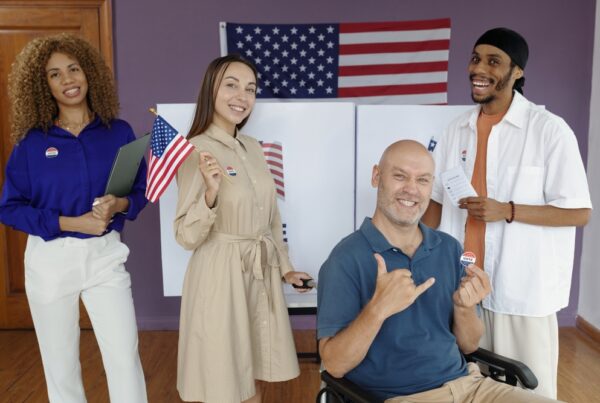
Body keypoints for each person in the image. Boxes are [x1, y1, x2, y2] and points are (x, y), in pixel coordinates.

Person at [317, 140, 561, 403]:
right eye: (400, 176)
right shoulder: (344, 259)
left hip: (470, 387)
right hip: (399, 397)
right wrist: (378, 309)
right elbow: (335, 366)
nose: (411, 189)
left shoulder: (448, 248)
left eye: (422, 180)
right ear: (377, 176)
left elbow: (468, 346)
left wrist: (464, 308)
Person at [421, 27, 592, 399]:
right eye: (475, 58)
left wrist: (508, 210)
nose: (479, 68)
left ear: (518, 73)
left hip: (521, 291)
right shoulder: (455, 130)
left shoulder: (549, 131)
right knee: (467, 387)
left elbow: (578, 212)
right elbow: (435, 202)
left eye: (493, 61)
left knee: (529, 392)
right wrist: (413, 253)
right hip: (461, 288)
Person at [0, 34, 148, 402]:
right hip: (50, 261)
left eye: (73, 69)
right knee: (60, 364)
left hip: (105, 256)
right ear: (42, 84)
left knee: (124, 358)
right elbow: (9, 207)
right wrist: (72, 223)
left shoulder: (119, 132)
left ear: (88, 73)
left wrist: (118, 205)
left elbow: (140, 192)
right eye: (54, 74)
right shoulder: (31, 144)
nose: (67, 80)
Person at [174, 54, 311, 403]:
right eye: (231, 85)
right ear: (211, 90)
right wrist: (210, 194)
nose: (242, 96)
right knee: (222, 378)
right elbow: (185, 235)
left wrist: (285, 268)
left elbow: (270, 218)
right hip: (219, 276)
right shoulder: (195, 150)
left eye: (250, 89)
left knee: (255, 370)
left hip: (259, 273)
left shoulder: (252, 148)